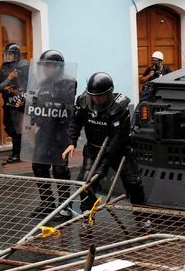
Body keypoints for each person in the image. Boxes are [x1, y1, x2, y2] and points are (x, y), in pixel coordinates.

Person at [62, 72, 149, 228]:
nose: (97, 99)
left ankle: (141, 216)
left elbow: (117, 140)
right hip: (93, 149)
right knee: (84, 183)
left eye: (100, 96)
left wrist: (103, 168)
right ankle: (87, 216)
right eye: (94, 96)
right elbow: (75, 122)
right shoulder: (83, 102)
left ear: (108, 93)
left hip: (119, 151)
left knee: (134, 183)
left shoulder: (119, 108)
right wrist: (72, 142)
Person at [28, 50, 77, 219]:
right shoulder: (42, 84)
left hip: (60, 131)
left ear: (57, 67)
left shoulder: (68, 82)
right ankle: (47, 203)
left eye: (48, 65)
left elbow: (66, 105)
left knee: (60, 169)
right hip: (44, 131)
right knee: (38, 165)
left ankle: (65, 206)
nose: (46, 69)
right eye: (44, 66)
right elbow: (35, 103)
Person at [0, 43, 28, 163]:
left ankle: (17, 153)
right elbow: (1, 83)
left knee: (18, 129)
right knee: (8, 126)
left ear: (16, 54)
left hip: (19, 103)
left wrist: (22, 94)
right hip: (8, 103)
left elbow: (29, 83)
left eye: (11, 54)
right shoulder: (4, 67)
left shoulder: (24, 66)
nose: (8, 56)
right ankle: (22, 150)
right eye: (7, 54)